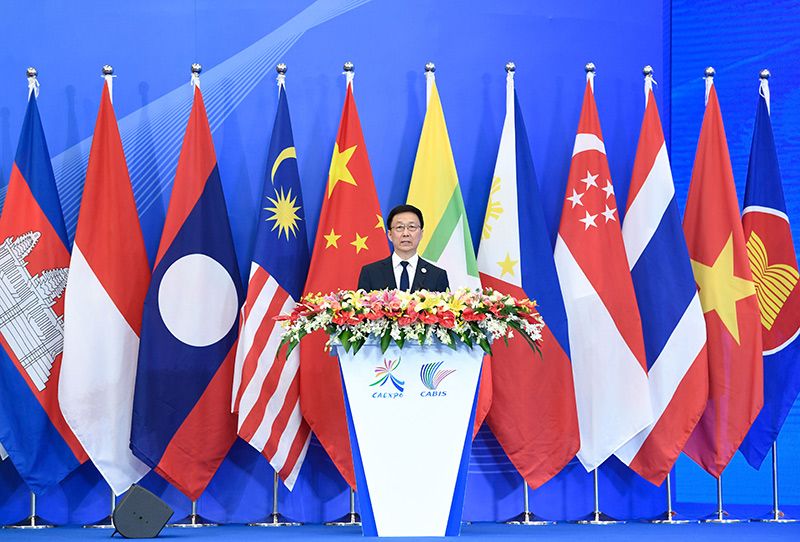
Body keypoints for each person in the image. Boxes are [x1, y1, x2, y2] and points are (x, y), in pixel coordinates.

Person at [358, 204, 449, 292]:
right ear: (390, 234)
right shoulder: (370, 273)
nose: (406, 234)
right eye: (399, 227)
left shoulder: (437, 275)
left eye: (412, 227)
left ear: (421, 234)